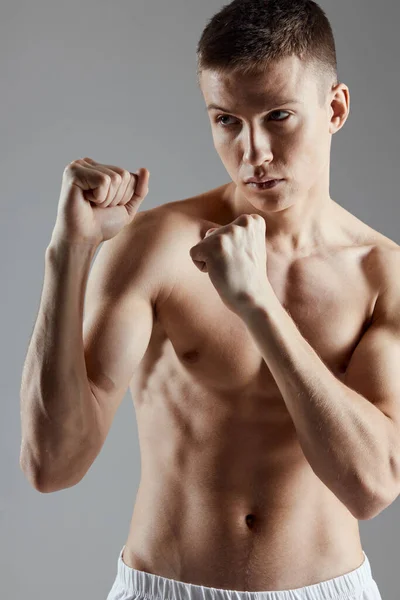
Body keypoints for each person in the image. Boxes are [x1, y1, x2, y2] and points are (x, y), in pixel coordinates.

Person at [19, 1, 399, 599]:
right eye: (227, 120)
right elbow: (52, 465)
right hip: (162, 587)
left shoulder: (383, 276)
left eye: (278, 116)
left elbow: (372, 486)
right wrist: (68, 254)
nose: (254, 152)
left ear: (334, 108)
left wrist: (259, 307)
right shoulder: (156, 248)